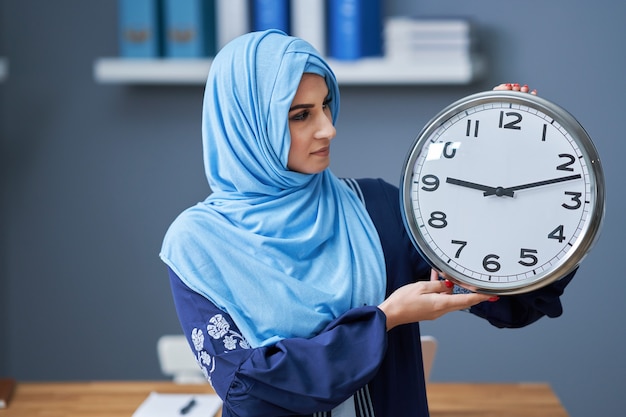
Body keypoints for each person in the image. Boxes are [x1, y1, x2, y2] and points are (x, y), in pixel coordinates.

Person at [160, 30, 574, 417]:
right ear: (245, 127)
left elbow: (509, 301)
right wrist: (385, 319)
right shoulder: (197, 244)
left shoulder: (376, 206)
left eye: (325, 105)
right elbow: (249, 390)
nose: (328, 128)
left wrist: (507, 150)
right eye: (301, 115)